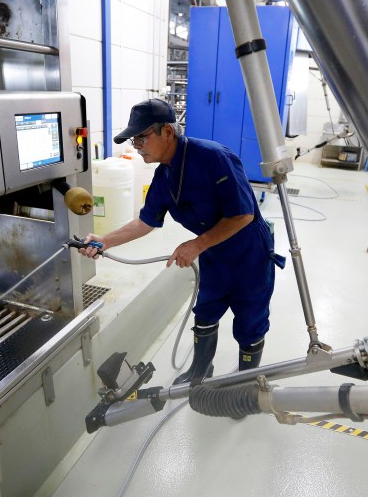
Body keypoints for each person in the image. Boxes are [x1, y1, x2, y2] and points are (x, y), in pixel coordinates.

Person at [78, 99, 284, 385]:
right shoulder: (164, 177)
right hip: (213, 254)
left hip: (248, 254)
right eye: (133, 139)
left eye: (141, 137)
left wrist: (197, 245)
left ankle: (246, 383)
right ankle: (200, 371)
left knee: (250, 322)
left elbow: (243, 215)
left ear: (167, 132)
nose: (136, 145)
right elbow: (145, 221)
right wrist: (105, 240)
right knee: (205, 312)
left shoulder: (214, 158)